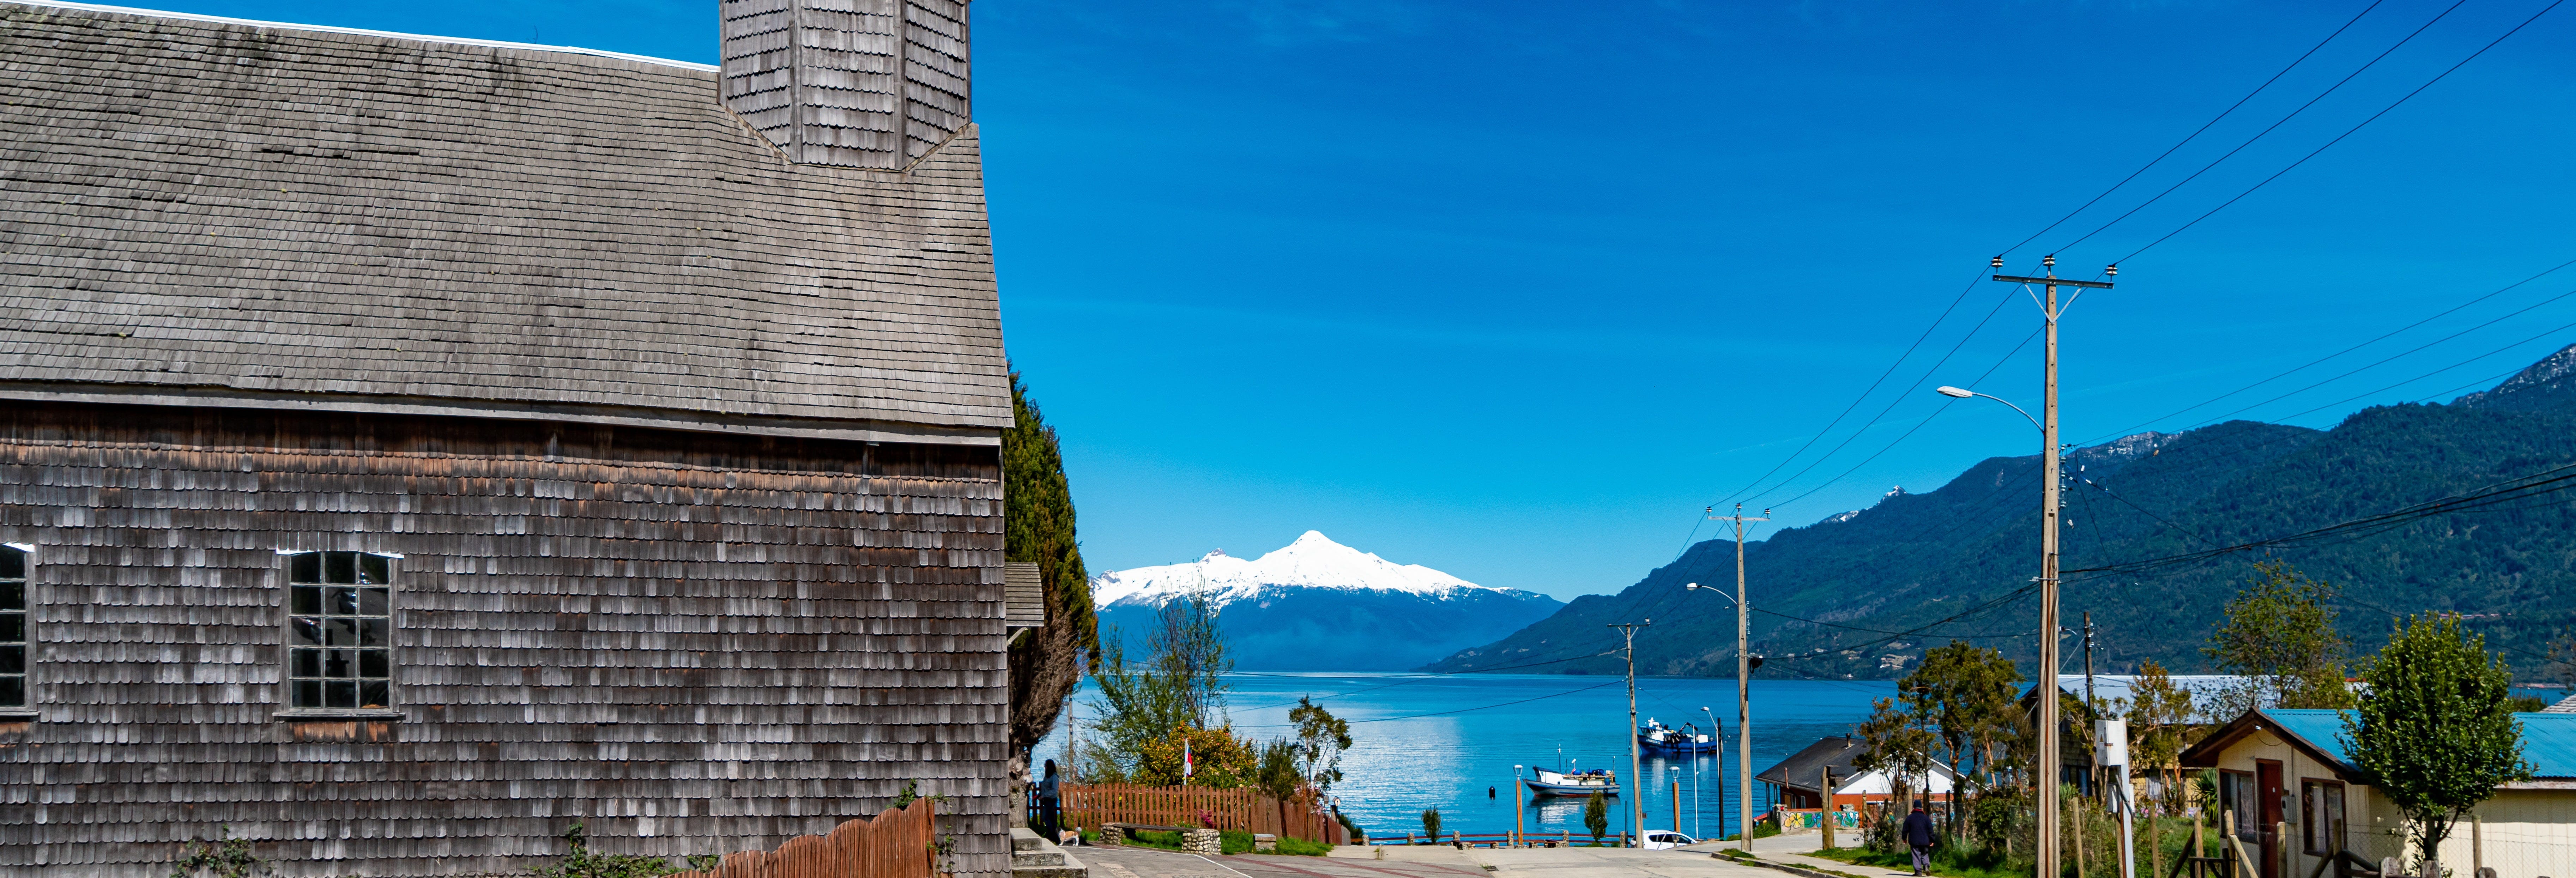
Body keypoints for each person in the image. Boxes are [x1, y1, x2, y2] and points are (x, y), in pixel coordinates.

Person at [1903, 802, 1935, 876]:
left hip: (1914, 841)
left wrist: (1904, 838)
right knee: (1925, 854)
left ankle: (1918, 872)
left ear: (1914, 808)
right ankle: (1926, 866)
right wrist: (1932, 840)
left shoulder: (1910, 818)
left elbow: (1905, 829)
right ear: (1921, 808)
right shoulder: (1926, 818)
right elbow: (1931, 830)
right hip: (1925, 841)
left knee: (1916, 855)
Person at [1038, 760, 1065, 845]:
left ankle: (1052, 835)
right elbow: (1045, 787)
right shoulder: (1047, 777)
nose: (1045, 767)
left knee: (1045, 817)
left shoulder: (1054, 777)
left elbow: (1054, 790)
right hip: (1046, 800)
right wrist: (1040, 795)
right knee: (1051, 819)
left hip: (1051, 800)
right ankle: (1055, 837)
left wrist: (1045, 795)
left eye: (1046, 766)